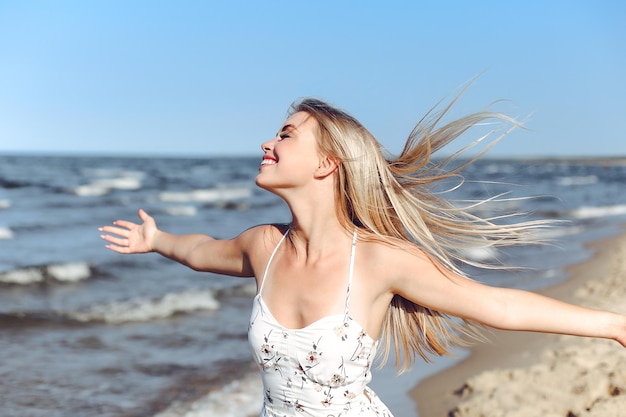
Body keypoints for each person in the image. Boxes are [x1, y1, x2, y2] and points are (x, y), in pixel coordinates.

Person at [99, 95, 626, 417]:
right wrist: (156, 241)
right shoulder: (266, 246)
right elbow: (201, 251)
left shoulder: (377, 260)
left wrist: (614, 325)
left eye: (285, 134)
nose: (267, 142)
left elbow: (499, 307)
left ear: (327, 164)